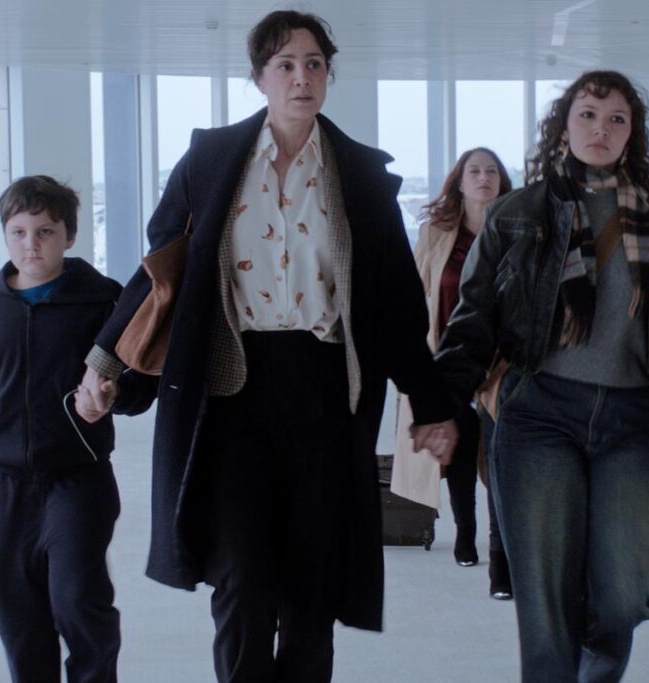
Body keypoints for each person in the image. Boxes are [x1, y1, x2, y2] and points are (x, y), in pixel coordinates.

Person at [76, 10, 457, 683]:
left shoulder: (359, 175)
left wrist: (430, 403)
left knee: (312, 584)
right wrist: (103, 363)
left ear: (328, 75)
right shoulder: (211, 161)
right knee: (241, 577)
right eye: (285, 65)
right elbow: (159, 272)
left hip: (324, 392)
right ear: (259, 77)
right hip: (233, 390)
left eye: (314, 64)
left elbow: (397, 300)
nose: (301, 78)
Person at [434, 71, 649, 682]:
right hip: (539, 414)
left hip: (626, 419)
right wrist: (443, 407)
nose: (600, 129)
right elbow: (472, 318)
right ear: (563, 126)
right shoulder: (518, 214)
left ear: (632, 135)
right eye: (587, 114)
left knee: (624, 589)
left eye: (616, 119)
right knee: (546, 601)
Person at [0, 175, 156, 683]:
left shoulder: (104, 301)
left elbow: (142, 379)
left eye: (45, 232)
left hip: (77, 477)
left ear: (69, 236)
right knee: (20, 620)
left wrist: (113, 396)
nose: (31, 245)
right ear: (5, 235)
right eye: (18, 232)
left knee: (79, 601)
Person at [393, 147, 514, 599]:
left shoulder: (518, 230)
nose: (484, 177)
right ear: (459, 183)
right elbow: (415, 291)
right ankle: (465, 532)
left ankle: (501, 557)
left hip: (502, 364)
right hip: (449, 359)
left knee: (501, 459)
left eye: (491, 171)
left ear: (502, 181)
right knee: (459, 451)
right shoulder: (436, 232)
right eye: (474, 171)